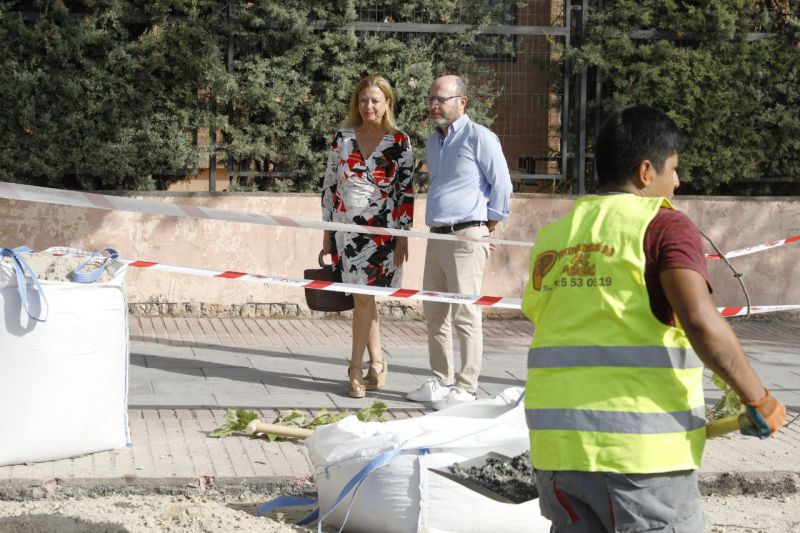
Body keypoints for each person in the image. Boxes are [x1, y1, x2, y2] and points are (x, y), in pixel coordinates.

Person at [521, 105, 786, 532]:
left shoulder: (555, 237)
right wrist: (759, 399)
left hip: (559, 455)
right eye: (674, 169)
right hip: (641, 462)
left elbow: (555, 321)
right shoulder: (663, 226)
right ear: (647, 171)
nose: (677, 182)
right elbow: (700, 322)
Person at [405, 75, 512, 410]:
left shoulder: (480, 137)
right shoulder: (433, 142)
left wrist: (485, 227)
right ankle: (440, 381)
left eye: (442, 99)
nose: (434, 105)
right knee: (434, 312)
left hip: (467, 235)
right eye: (431, 98)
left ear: (462, 102)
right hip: (436, 234)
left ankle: (466, 387)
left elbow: (503, 186)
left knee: (465, 313)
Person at [321, 75, 414, 398]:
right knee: (362, 298)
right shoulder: (343, 137)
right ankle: (368, 365)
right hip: (348, 231)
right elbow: (330, 185)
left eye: (375, 100)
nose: (368, 106)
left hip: (383, 233)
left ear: (388, 102)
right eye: (363, 100)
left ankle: (363, 366)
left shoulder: (399, 140)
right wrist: (327, 232)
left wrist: (403, 236)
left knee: (365, 298)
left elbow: (405, 192)